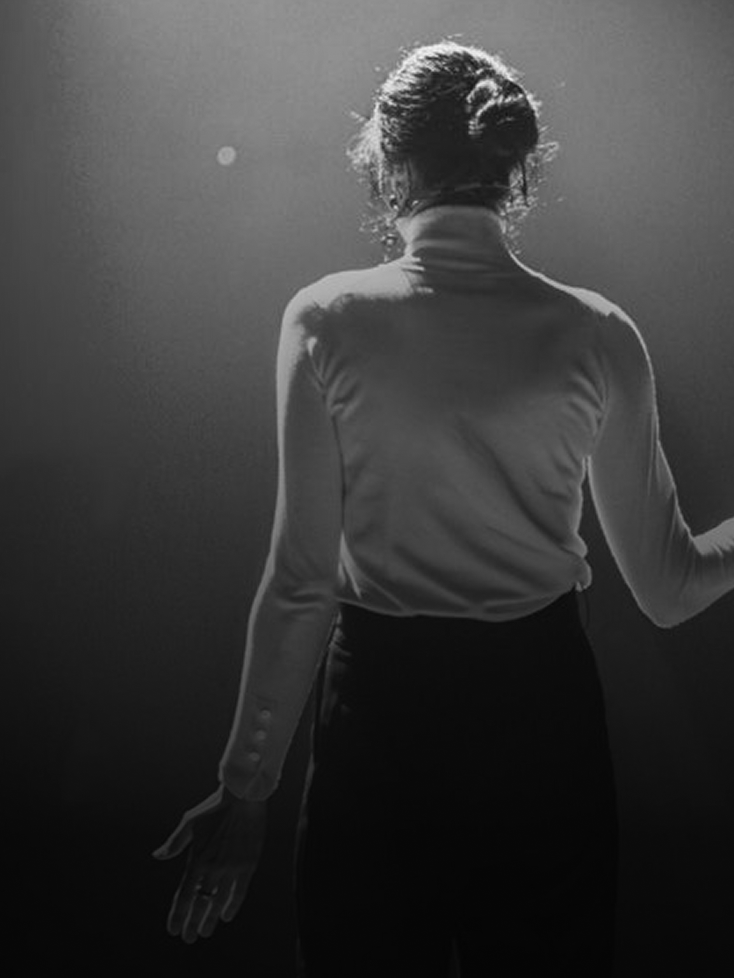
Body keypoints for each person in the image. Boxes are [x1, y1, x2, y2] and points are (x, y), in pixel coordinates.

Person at [153, 39, 734, 977]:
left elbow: (301, 582)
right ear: (513, 167)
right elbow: (671, 591)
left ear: (389, 161)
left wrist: (246, 787)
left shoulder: (327, 320)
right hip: (545, 726)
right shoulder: (598, 333)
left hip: (378, 728)